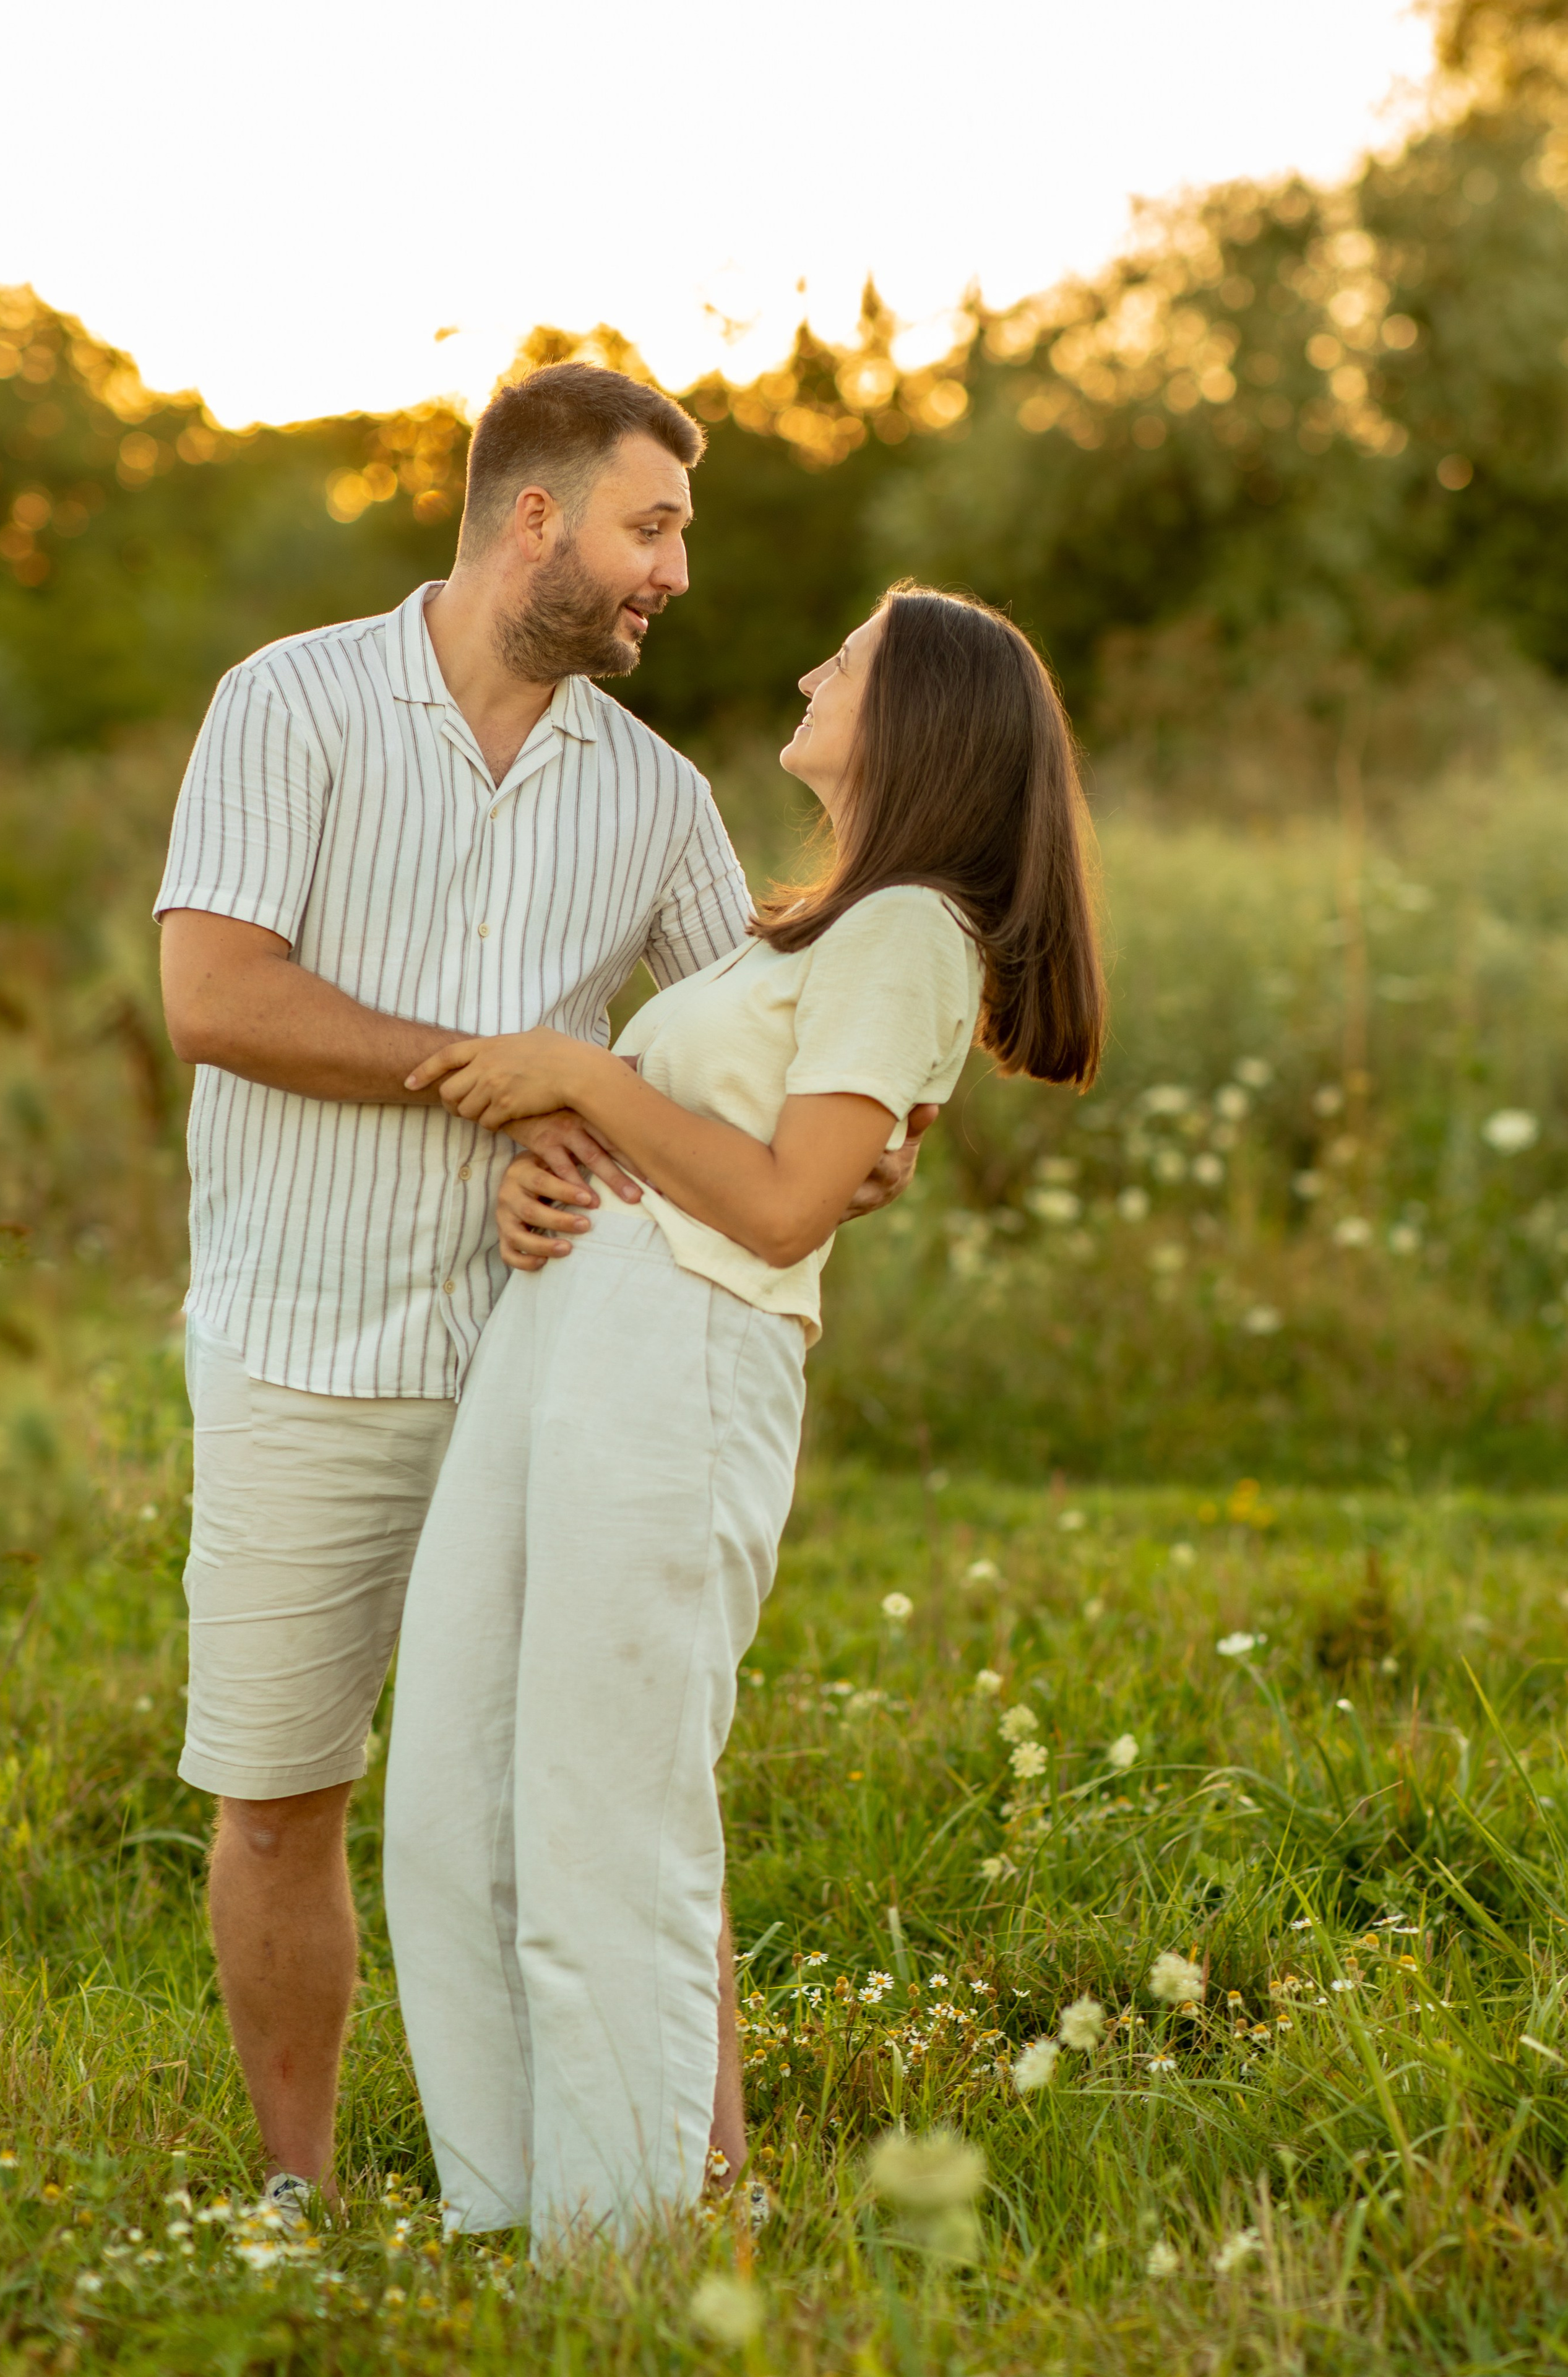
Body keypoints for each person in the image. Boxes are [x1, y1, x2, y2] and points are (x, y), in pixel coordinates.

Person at [153, 362, 928, 2222]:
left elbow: (740, 1037)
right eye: (651, 526)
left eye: (679, 536)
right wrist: (506, 1071)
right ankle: (299, 2195)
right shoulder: (295, 704)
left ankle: (702, 2188)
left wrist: (859, 1130)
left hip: (567, 1353)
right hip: (308, 1346)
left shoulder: (655, 798)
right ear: (536, 519)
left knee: (626, 1768)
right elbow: (218, 996)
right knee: (281, 1792)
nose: (673, 570)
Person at [383, 582, 1106, 2246]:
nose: (807, 664)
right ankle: (509, 2210)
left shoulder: (914, 927)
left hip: (687, 1355)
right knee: (451, 1785)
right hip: (573, 1328)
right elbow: (706, 1149)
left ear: (919, 716)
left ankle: (621, 2241)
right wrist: (559, 1174)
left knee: (604, 1806)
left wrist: (584, 1082)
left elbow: (784, 1207)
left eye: (842, 657)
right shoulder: (812, 924)